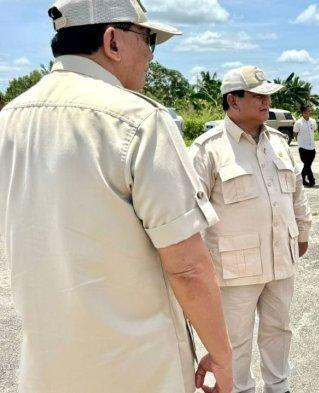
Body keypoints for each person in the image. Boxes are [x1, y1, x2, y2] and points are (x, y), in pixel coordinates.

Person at [0, 1, 233, 392]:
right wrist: (223, 357)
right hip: (139, 369)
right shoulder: (138, 120)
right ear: (112, 41)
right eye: (148, 40)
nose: (150, 57)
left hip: (47, 369)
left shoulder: (9, 120)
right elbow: (188, 267)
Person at [190, 65, 312, 393]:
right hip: (234, 269)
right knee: (235, 339)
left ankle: (279, 387)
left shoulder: (277, 142)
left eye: (267, 95)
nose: (266, 101)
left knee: (279, 330)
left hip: (281, 260)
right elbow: (192, 212)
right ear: (233, 100)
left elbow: (297, 194)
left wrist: (302, 232)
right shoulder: (208, 148)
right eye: (257, 95)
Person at [293, 103, 318, 187]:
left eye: (309, 111)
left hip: (312, 147)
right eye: (307, 111)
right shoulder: (298, 123)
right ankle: (311, 179)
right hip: (303, 147)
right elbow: (295, 133)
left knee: (307, 165)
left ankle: (302, 179)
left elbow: (314, 130)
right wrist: (299, 142)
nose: (309, 112)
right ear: (303, 113)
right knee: (307, 164)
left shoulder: (313, 121)